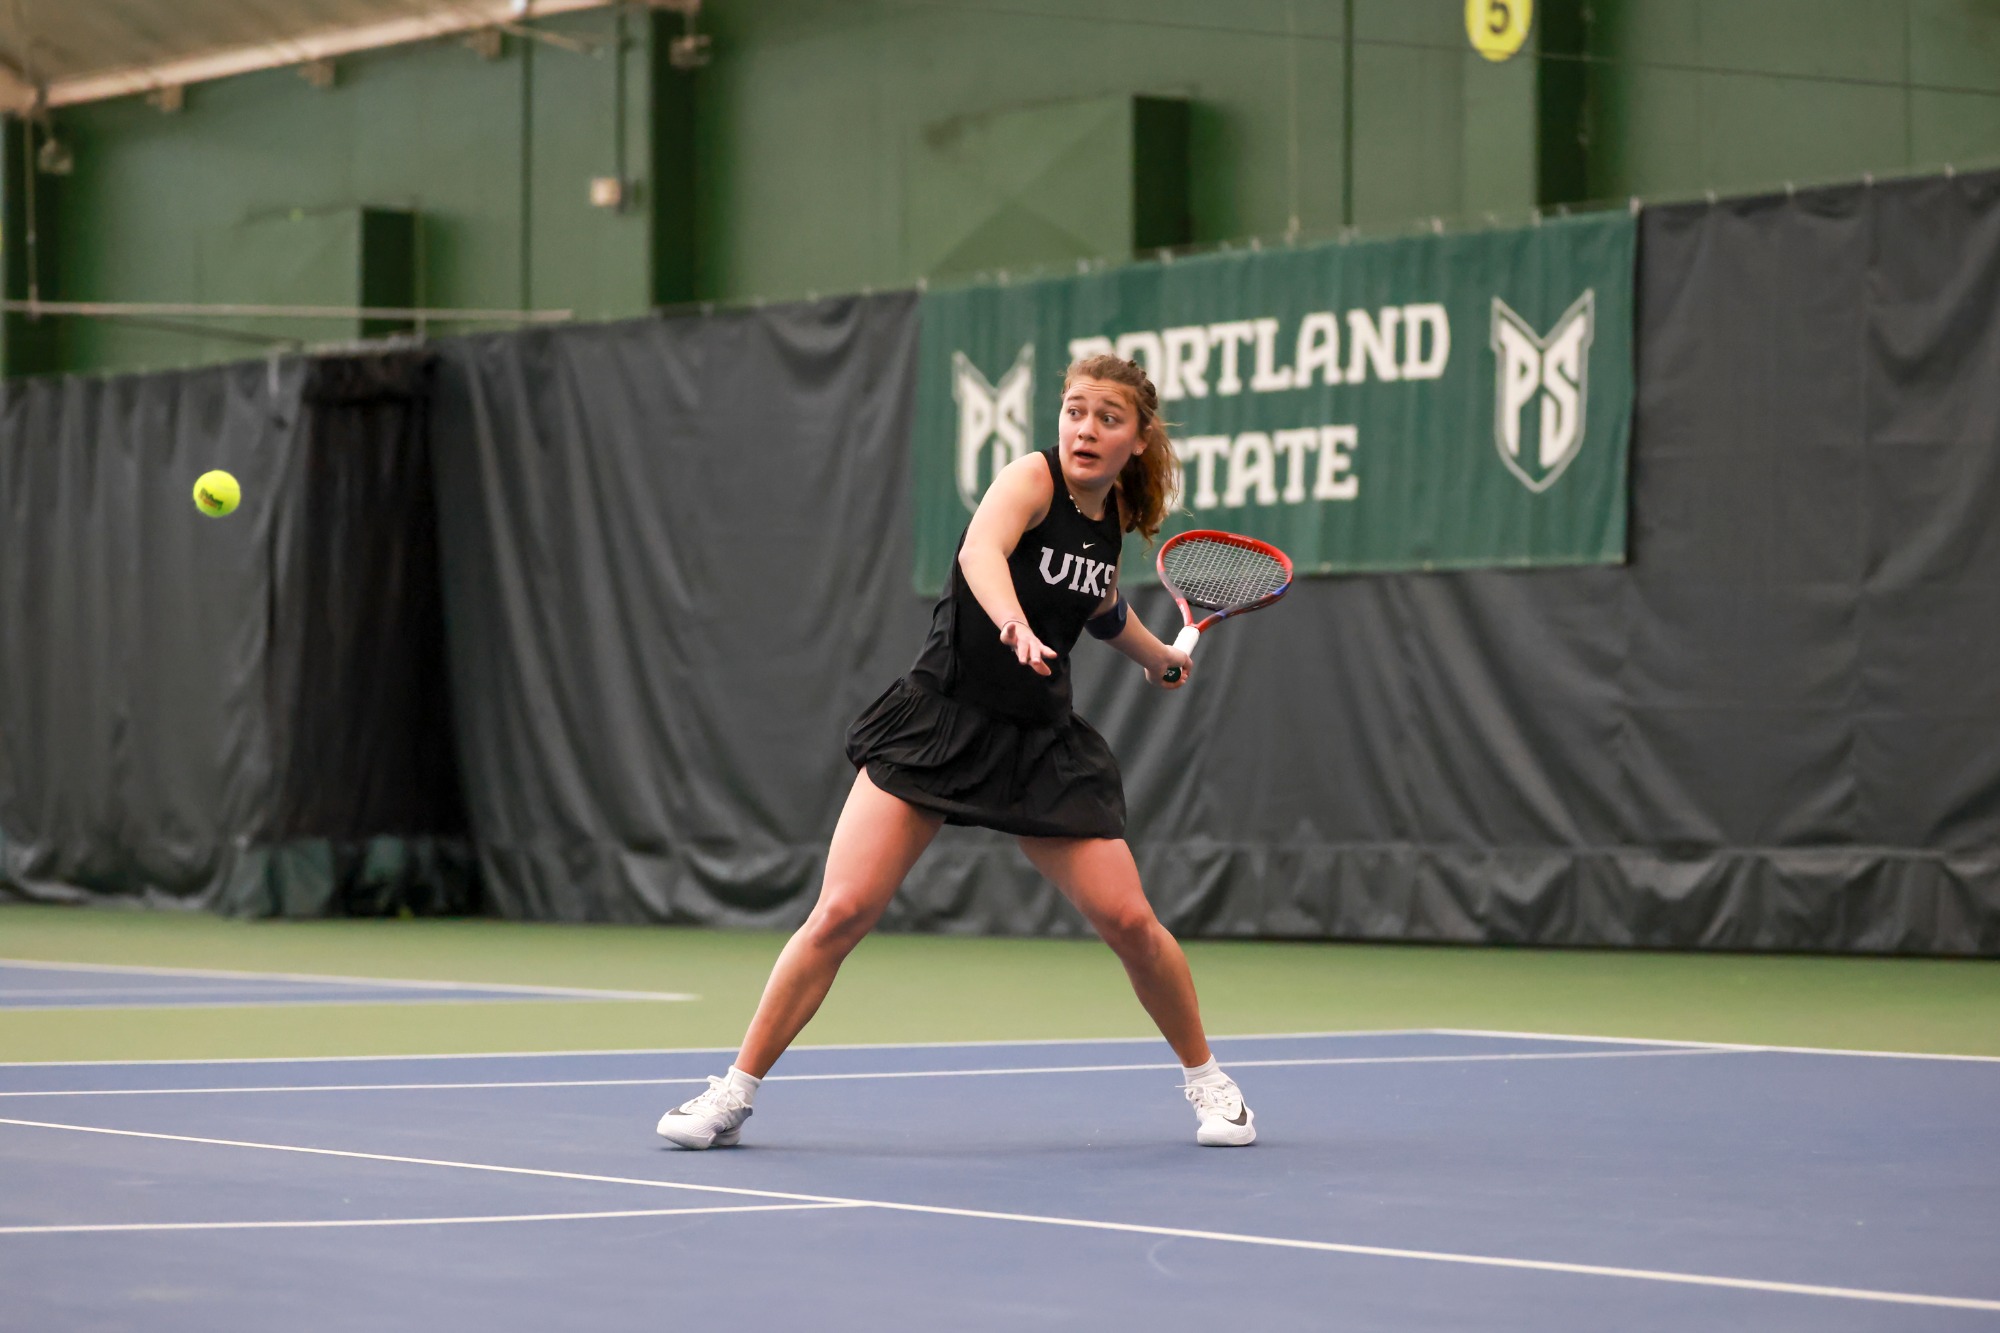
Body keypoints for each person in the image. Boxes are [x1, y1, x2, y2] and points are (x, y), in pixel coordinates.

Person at [656, 354, 1255, 1150]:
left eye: (1108, 417)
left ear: (1138, 439)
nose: (1086, 428)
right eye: (1075, 410)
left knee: (1129, 920)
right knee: (840, 912)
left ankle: (1213, 1087)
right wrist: (1008, 619)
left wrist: (1155, 656)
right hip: (940, 723)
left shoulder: (1108, 517)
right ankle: (731, 1092)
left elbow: (1101, 605)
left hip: (1038, 743)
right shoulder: (1030, 480)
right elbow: (981, 552)